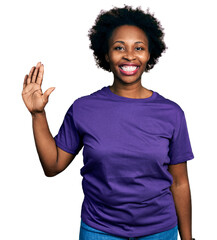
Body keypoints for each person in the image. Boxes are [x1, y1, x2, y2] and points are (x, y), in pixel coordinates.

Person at [22, 5, 195, 240]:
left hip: (159, 231)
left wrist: (188, 238)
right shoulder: (83, 108)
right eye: (119, 47)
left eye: (139, 48)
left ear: (149, 55)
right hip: (99, 230)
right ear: (106, 54)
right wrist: (37, 115)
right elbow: (52, 166)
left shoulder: (171, 113)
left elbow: (179, 183)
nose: (130, 55)